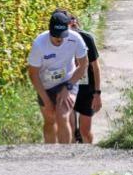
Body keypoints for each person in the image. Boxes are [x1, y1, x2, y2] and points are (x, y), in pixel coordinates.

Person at [27, 11, 88, 144]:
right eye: (55, 36)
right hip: (45, 84)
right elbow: (33, 74)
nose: (59, 39)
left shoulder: (76, 39)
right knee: (49, 120)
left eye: (62, 35)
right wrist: (46, 101)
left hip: (68, 80)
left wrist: (69, 86)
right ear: (49, 31)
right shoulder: (39, 44)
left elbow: (83, 65)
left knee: (62, 116)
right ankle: (50, 154)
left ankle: (64, 156)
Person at [68, 14, 102, 144]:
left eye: (74, 24)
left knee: (85, 132)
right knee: (69, 131)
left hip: (86, 90)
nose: (73, 26)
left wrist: (97, 93)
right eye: (70, 24)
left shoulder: (87, 38)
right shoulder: (60, 40)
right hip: (69, 89)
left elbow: (96, 67)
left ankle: (90, 156)